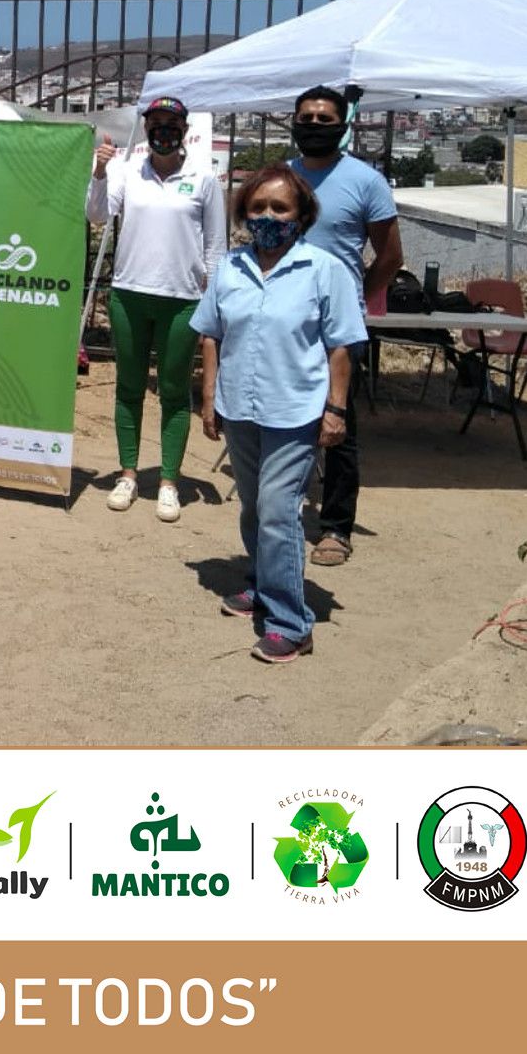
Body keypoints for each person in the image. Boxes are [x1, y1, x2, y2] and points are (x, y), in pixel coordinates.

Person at [194, 165, 368, 663]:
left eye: (280, 208)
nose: (268, 217)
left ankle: (292, 621)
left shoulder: (324, 268)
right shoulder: (231, 267)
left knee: (277, 510)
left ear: (301, 215)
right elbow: (212, 335)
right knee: (252, 507)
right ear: (244, 214)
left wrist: (335, 410)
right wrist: (210, 399)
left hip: (296, 411)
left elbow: (340, 346)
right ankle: (262, 583)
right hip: (241, 407)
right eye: (258, 208)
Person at [88, 95, 226, 522]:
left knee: (172, 393)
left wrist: (212, 305)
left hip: (182, 300)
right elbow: (96, 214)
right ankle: (128, 474)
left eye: (172, 124)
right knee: (128, 388)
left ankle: (169, 481)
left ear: (184, 130)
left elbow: (216, 248)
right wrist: (98, 172)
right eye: (156, 123)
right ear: (146, 128)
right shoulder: (128, 169)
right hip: (130, 293)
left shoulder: (204, 178)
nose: (163, 130)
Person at [288, 85, 403, 567]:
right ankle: (284, 510)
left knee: (338, 422)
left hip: (337, 327)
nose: (314, 126)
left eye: (324, 119)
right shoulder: (282, 179)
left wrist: (353, 301)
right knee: (284, 416)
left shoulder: (365, 180)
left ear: (343, 124)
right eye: (306, 119)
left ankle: (336, 526)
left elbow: (391, 258)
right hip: (285, 319)